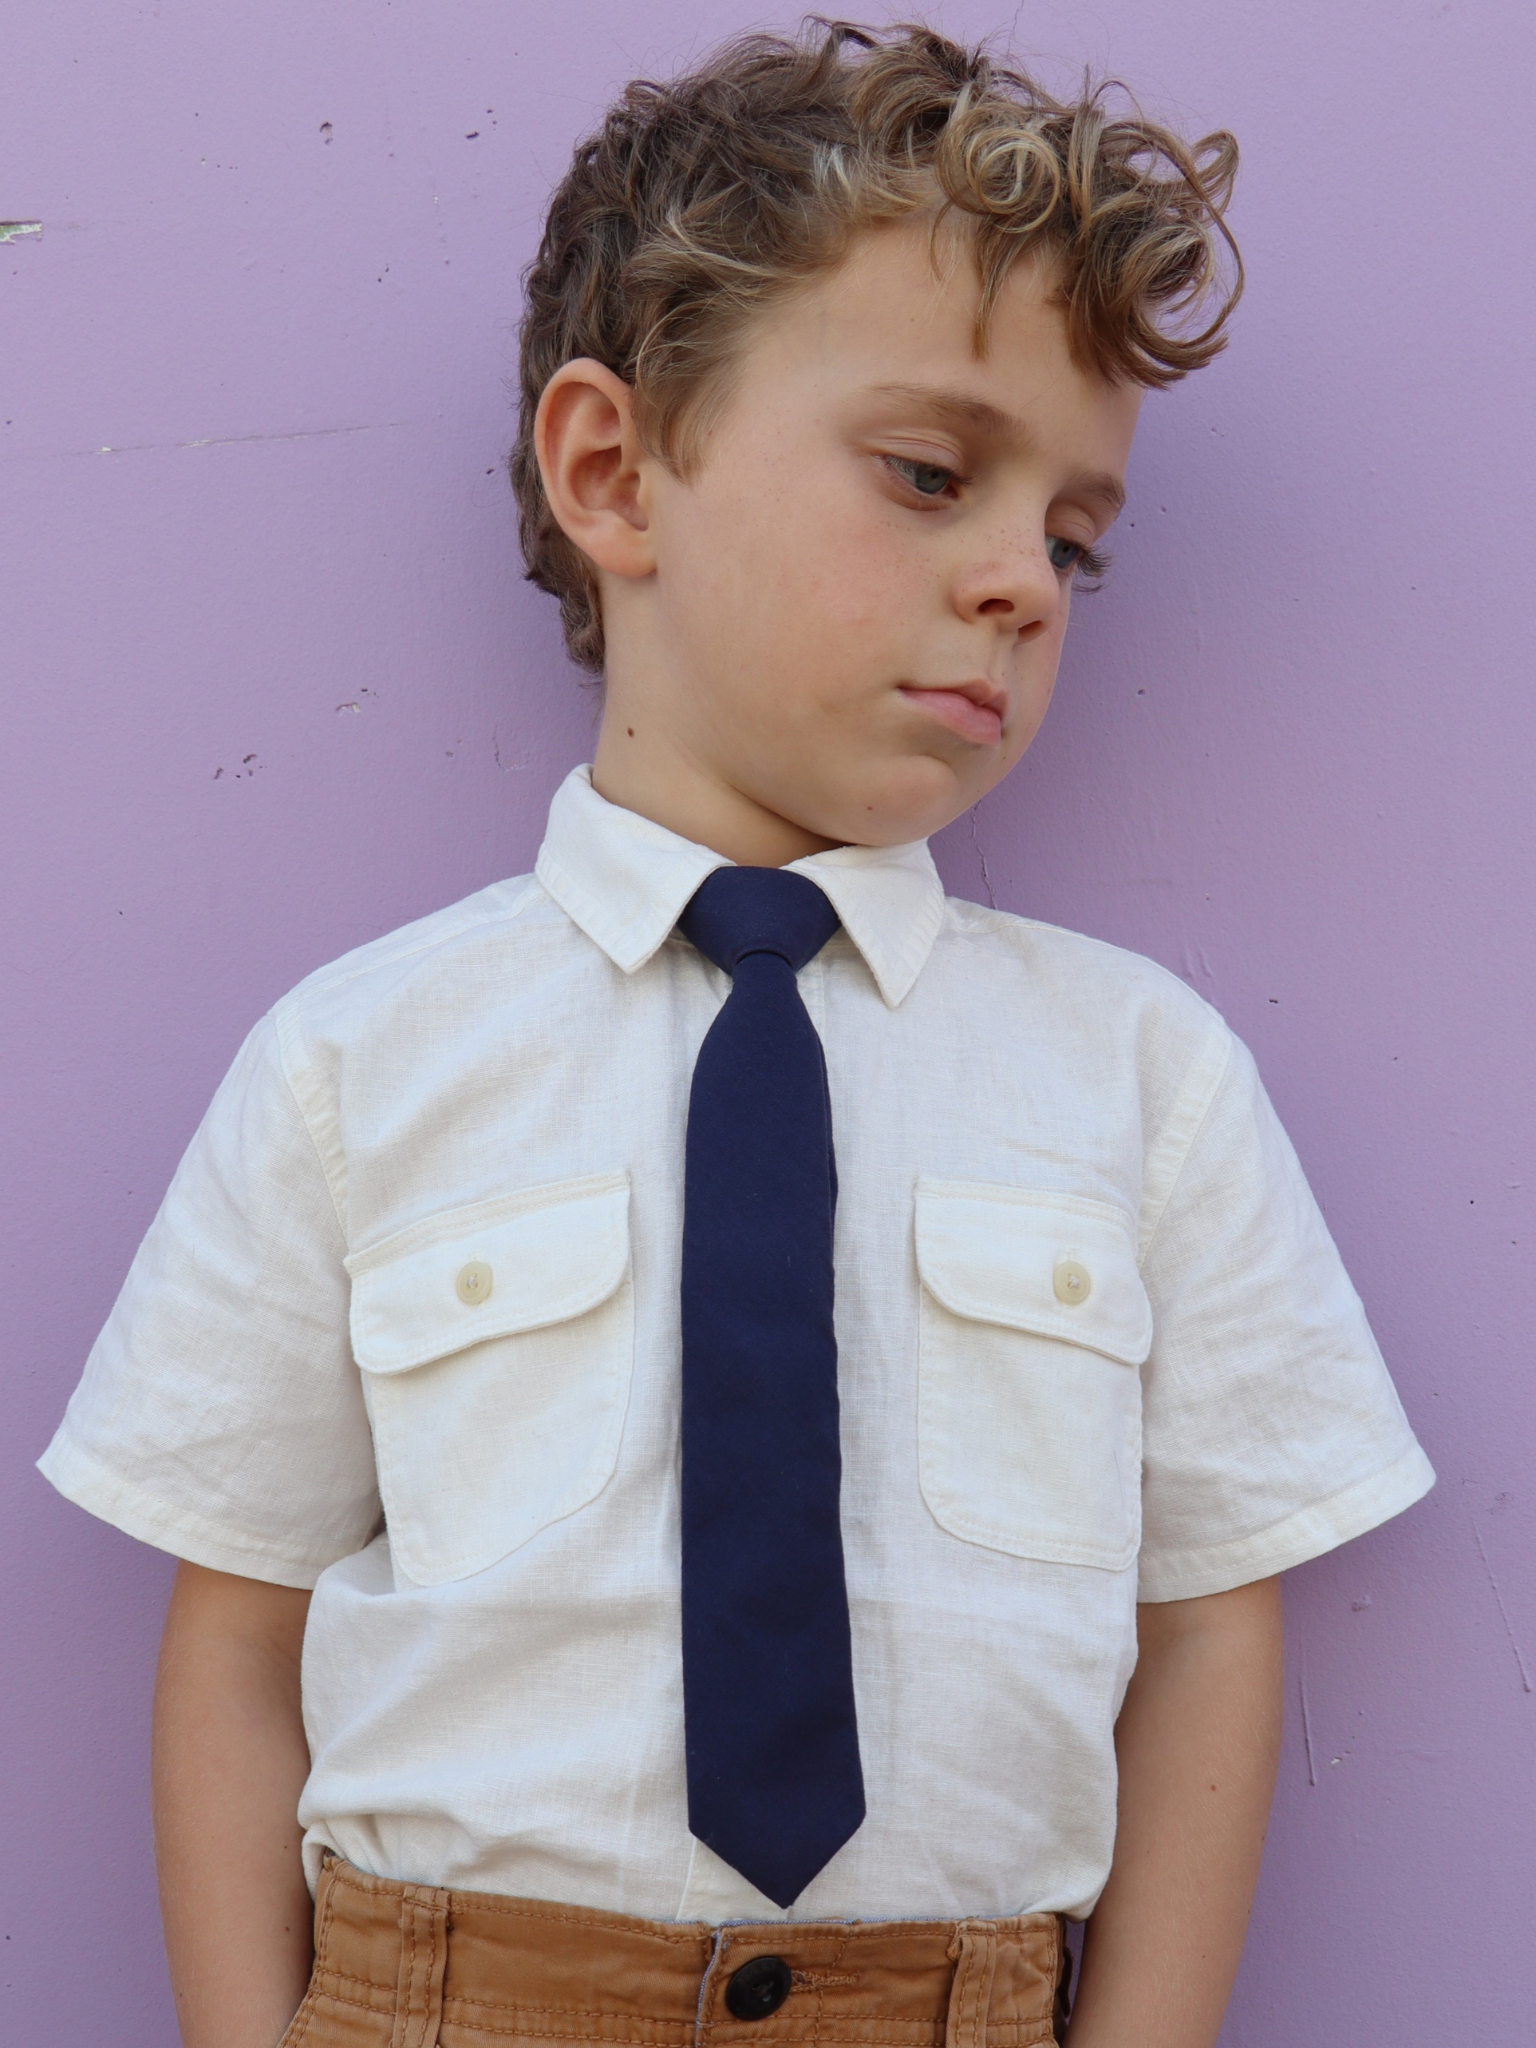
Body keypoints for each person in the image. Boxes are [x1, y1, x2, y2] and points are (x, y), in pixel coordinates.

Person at [39, 21, 1435, 2048]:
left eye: (1074, 537)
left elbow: (1214, 1621)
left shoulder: (1145, 1079)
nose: (1024, 583)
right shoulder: (361, 1062)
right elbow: (236, 1626)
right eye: (935, 473)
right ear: (615, 469)